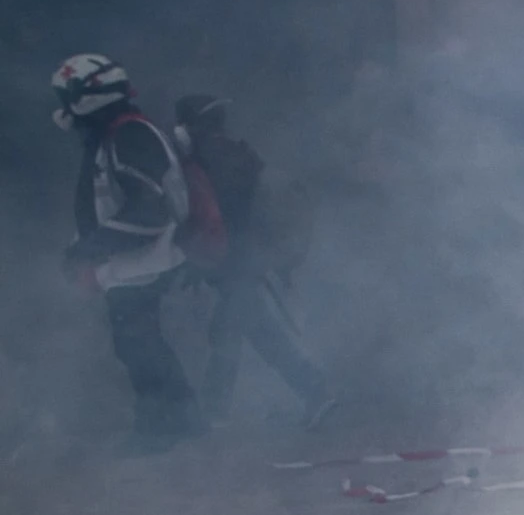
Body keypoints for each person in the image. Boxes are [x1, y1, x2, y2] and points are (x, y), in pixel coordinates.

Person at [52, 54, 202, 452]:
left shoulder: (130, 136)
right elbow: (107, 205)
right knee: (139, 342)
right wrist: (80, 248)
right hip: (132, 262)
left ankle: (161, 427)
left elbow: (149, 212)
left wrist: (90, 250)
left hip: (146, 261)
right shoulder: (119, 135)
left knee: (138, 343)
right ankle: (184, 419)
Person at [169, 94, 333, 427]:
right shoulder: (234, 153)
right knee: (258, 332)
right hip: (247, 259)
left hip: (239, 261)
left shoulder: (211, 158)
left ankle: (213, 415)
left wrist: (206, 259)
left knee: (228, 333)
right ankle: (316, 391)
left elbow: (219, 220)